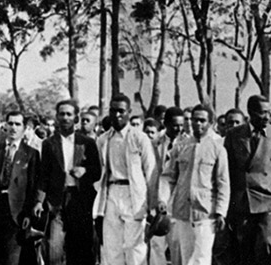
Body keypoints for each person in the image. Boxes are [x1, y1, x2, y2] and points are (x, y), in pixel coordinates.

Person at [223, 95, 271, 265]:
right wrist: (227, 205)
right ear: (251, 113)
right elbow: (227, 171)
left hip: (268, 199)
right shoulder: (234, 135)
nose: (267, 117)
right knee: (244, 248)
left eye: (268, 112)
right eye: (262, 113)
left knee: (266, 245)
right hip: (242, 201)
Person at [33, 100, 101, 265]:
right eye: (61, 114)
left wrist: (84, 171)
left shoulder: (87, 143)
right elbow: (44, 175)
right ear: (56, 117)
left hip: (80, 200)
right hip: (57, 200)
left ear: (76, 118)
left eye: (69, 114)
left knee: (81, 249)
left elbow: (97, 172)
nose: (65, 118)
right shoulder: (49, 144)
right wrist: (39, 201)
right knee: (54, 249)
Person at [159, 104, 229, 265]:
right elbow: (168, 177)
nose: (197, 123)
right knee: (186, 258)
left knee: (201, 259)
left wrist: (220, 212)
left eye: (202, 120)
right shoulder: (180, 146)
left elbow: (223, 183)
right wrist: (163, 199)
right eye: (194, 120)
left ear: (210, 123)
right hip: (183, 211)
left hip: (205, 213)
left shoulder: (217, 149)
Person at [92, 94, 156, 265]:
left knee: (135, 248)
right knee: (112, 249)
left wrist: (152, 205)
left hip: (134, 195)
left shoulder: (140, 138)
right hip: (111, 193)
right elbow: (99, 171)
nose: (117, 115)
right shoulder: (103, 139)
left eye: (121, 111)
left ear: (129, 112)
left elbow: (150, 173)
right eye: (113, 111)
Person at [0, 111, 40, 265]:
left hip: (16, 212)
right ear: (5, 126)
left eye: (17, 124)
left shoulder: (31, 153)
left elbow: (32, 186)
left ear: (24, 128)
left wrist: (28, 213)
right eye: (10, 123)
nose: (13, 128)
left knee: (12, 257)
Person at [150, 106, 187, 265]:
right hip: (158, 198)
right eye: (174, 125)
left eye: (181, 125)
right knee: (156, 245)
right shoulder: (154, 143)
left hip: (179, 200)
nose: (178, 129)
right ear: (165, 123)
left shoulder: (188, 143)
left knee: (178, 245)